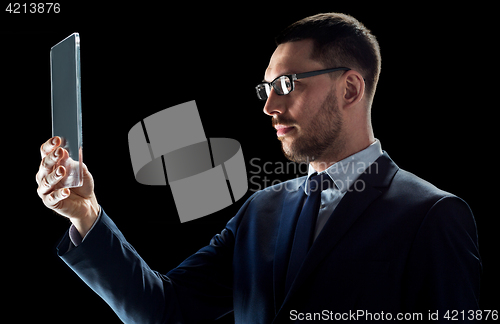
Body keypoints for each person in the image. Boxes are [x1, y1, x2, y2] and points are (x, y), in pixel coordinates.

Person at [36, 13, 481, 323]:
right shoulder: (260, 212)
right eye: (266, 88)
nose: (269, 105)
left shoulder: (432, 216)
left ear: (349, 88)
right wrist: (86, 215)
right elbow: (164, 310)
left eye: (287, 84)